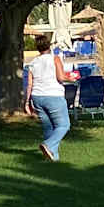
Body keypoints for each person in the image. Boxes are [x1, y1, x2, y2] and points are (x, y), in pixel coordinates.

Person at [27, 33, 76, 161]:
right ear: (49, 46)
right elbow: (60, 77)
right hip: (53, 95)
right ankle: (47, 145)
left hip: (37, 96)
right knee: (64, 125)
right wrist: (71, 78)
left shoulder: (33, 63)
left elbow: (30, 84)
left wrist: (27, 102)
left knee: (48, 127)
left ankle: (53, 158)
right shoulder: (55, 59)